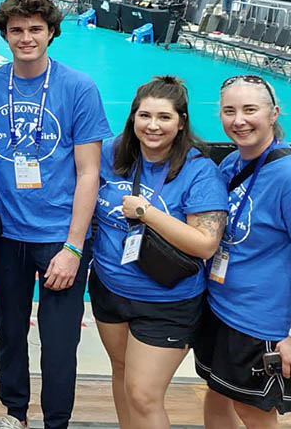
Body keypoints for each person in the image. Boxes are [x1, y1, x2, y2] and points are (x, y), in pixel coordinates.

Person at [0, 0, 111, 429]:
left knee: (59, 343)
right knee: (9, 334)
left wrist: (73, 247)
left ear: (51, 33)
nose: (26, 38)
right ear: (5, 35)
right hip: (7, 238)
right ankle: (14, 414)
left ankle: (56, 422)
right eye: (17, 30)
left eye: (35, 29)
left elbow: (88, 173)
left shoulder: (78, 88)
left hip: (58, 239)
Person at [90, 76, 228, 428]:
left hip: (167, 302)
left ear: (181, 121)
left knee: (144, 395)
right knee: (121, 376)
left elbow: (205, 244)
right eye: (144, 116)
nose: (152, 126)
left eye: (164, 117)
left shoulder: (199, 171)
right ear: (132, 117)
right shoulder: (112, 153)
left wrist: (146, 213)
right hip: (110, 290)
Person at [197, 75, 291, 428]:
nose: (239, 120)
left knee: (254, 413)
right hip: (222, 311)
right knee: (217, 395)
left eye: (250, 110)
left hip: (263, 325)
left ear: (273, 114)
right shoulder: (231, 165)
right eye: (229, 110)